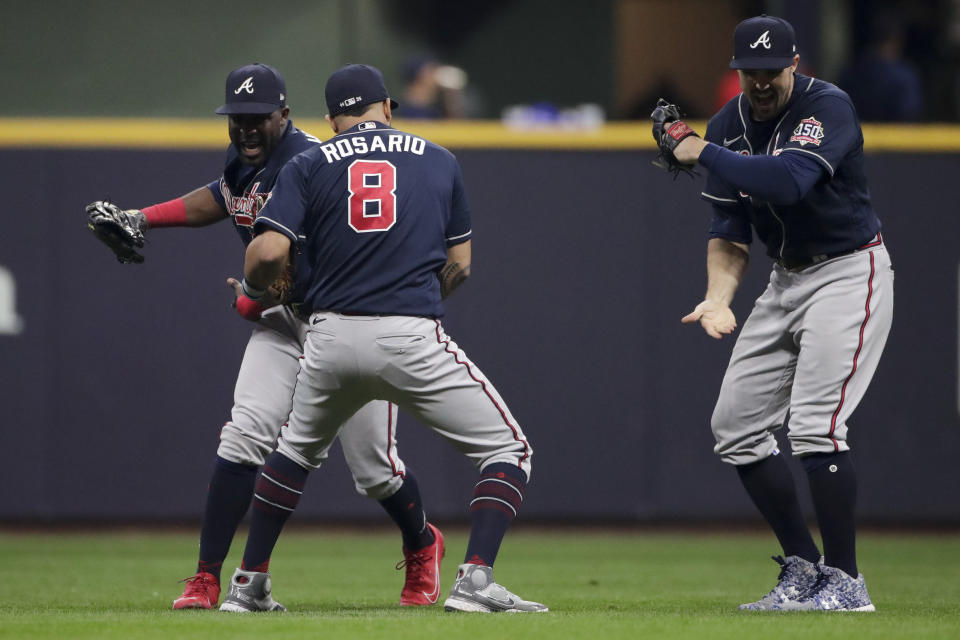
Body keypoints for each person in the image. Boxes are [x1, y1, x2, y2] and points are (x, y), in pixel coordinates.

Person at [87, 63, 444, 610]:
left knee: (375, 469)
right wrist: (144, 216)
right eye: (237, 118)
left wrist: (253, 299)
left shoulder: (311, 162)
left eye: (258, 118)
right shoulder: (247, 159)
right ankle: (206, 577)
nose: (246, 129)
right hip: (286, 324)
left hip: (347, 321)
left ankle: (423, 544)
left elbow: (326, 264)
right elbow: (222, 195)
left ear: (284, 114)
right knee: (244, 434)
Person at [217, 63, 545, 614]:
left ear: (330, 118)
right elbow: (460, 264)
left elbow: (269, 253)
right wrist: (410, 290)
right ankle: (475, 580)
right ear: (388, 108)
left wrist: (254, 291)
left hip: (329, 336)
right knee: (507, 450)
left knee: (293, 453)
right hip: (407, 332)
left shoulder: (307, 162)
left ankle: (248, 584)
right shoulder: (440, 158)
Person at [658, 16, 893, 611]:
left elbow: (790, 181)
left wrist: (702, 149)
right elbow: (730, 230)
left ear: (794, 65)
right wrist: (717, 296)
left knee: (815, 426)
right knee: (734, 428)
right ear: (736, 72)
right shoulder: (726, 124)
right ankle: (803, 567)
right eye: (749, 72)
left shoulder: (827, 107)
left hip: (847, 273)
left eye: (771, 70)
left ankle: (846, 582)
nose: (760, 82)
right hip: (784, 277)